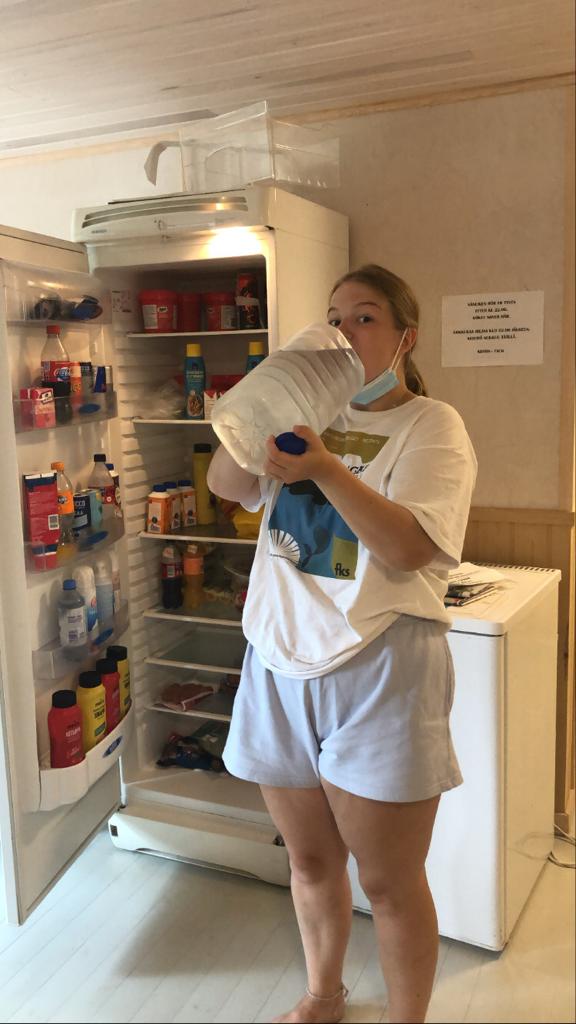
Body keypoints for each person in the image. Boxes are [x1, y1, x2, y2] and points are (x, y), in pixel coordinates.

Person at [207, 264, 478, 1024]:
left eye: (364, 317)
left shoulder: (433, 425)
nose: (344, 331)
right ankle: (323, 996)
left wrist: (325, 467)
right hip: (277, 658)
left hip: (381, 664)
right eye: (334, 317)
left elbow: (410, 548)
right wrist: (261, 400)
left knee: (388, 882)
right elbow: (228, 482)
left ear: (404, 338)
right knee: (309, 860)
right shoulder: (304, 417)